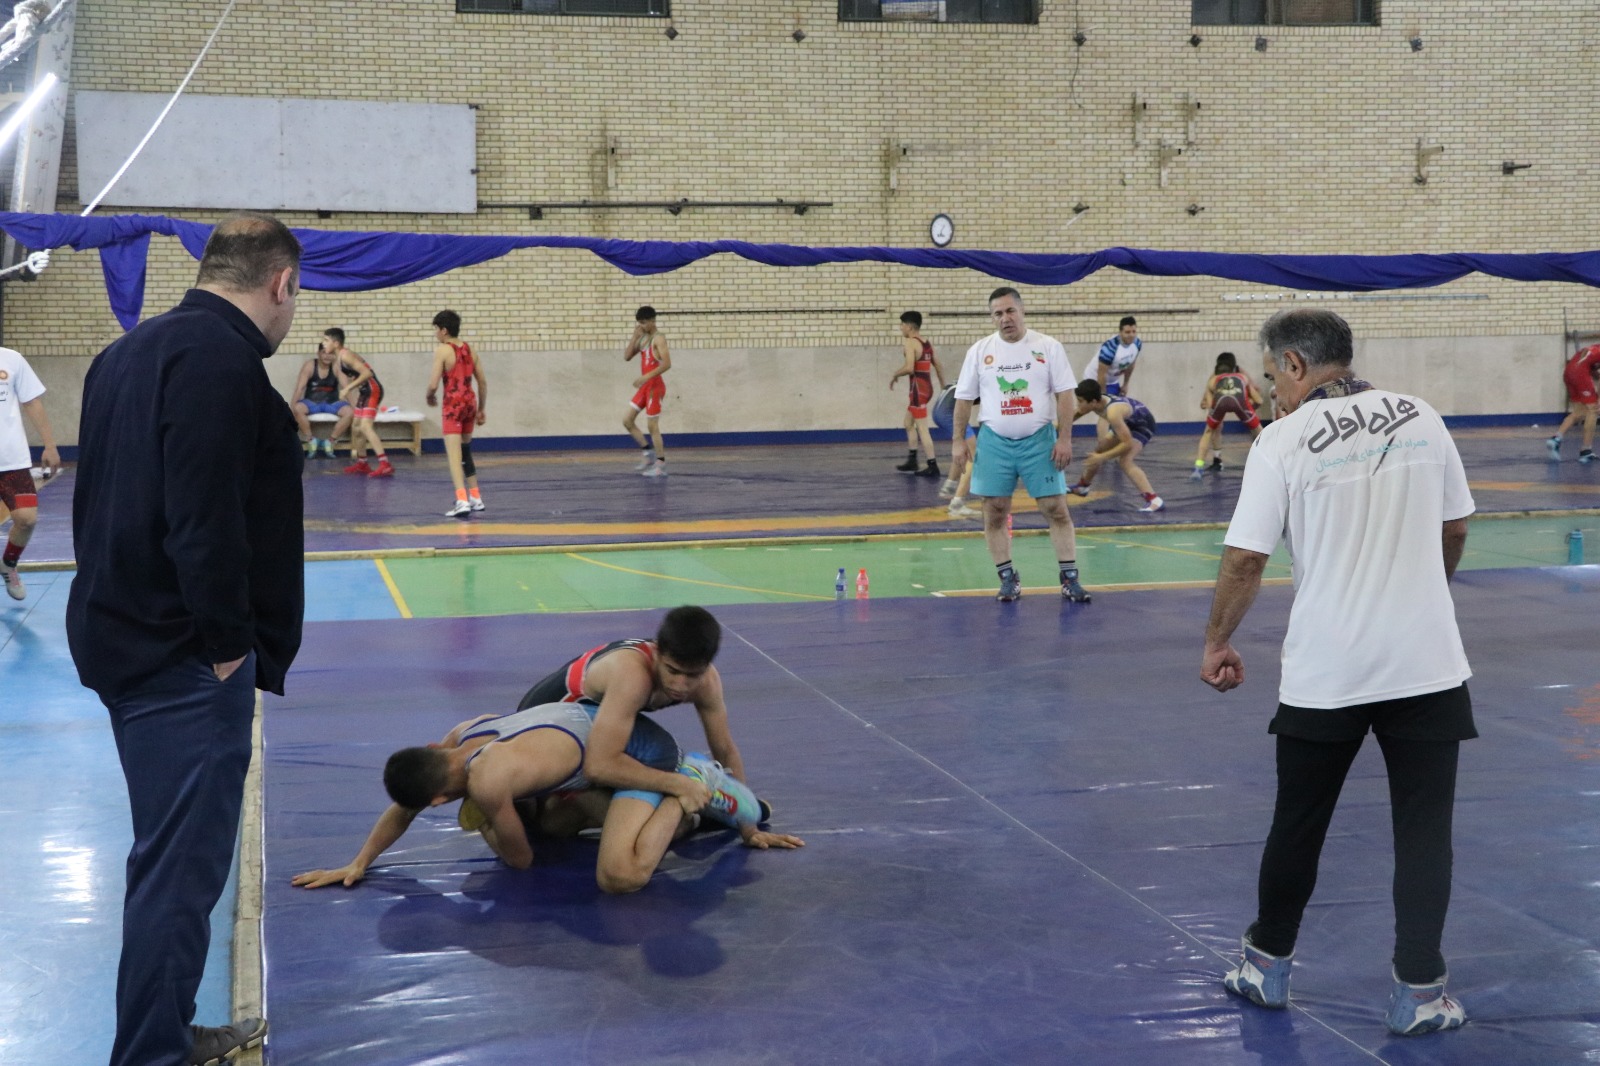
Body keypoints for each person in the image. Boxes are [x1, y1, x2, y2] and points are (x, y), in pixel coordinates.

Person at [67, 212, 305, 1066]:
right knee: (179, 870)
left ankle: (162, 1032)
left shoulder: (123, 354)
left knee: (170, 859)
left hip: (124, 633)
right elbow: (204, 519)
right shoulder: (220, 361)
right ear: (281, 283)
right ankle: (151, 1055)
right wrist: (228, 644)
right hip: (183, 655)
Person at [1200, 308, 1475, 1037]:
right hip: (1426, 663)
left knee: (1299, 821)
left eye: (1271, 376)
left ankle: (1266, 967)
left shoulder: (1283, 439)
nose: (1271, 391)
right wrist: (1427, 594)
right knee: (1425, 833)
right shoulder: (1423, 417)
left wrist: (1217, 641)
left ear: (1294, 365)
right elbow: (1454, 527)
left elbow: (1246, 558)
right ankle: (1420, 993)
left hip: (1328, 669)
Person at [517, 605, 803, 893]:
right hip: (561, 742)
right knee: (551, 826)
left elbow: (724, 748)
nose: (680, 685)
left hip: (593, 741)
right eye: (672, 671)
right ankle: (693, 790)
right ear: (656, 652)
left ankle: (694, 786)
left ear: (706, 667)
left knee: (629, 846)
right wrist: (678, 785)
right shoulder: (631, 674)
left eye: (692, 675)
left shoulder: (706, 681)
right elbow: (599, 766)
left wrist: (747, 825)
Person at [291, 700, 695, 890]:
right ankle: (653, 803)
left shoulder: (486, 781)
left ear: (438, 801)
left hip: (643, 756)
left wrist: (483, 818)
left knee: (621, 874)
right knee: (552, 825)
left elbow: (521, 860)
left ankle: (686, 790)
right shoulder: (465, 731)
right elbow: (403, 810)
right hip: (601, 731)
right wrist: (359, 862)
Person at [949, 288, 1091, 603]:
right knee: (994, 511)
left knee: (1055, 508)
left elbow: (1065, 395)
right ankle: (1007, 578)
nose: (1005, 318)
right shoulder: (980, 351)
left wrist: (1065, 438)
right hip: (994, 442)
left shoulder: (1048, 347)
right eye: (998, 313)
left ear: (1022, 311)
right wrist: (958, 440)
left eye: (1010, 311)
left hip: (1039, 441)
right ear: (992, 318)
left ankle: (1069, 578)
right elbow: (963, 399)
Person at [0, 345, 60, 600]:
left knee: (27, 519)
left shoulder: (11, 359)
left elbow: (32, 401)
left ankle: (8, 564)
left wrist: (50, 445)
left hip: (12, 461)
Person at [1068, 379, 1164, 513]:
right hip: (1126, 422)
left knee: (1125, 460)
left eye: (1080, 401)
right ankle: (1082, 487)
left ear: (1093, 402)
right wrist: (1049, 429)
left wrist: (1103, 457)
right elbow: (1070, 418)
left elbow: (1127, 443)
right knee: (1099, 449)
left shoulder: (1113, 413)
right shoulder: (1094, 402)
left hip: (1142, 425)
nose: (1078, 405)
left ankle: (1154, 500)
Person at [426, 310, 487, 517]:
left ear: (444, 330)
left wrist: (429, 396)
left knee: (454, 456)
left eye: (436, 329)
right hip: (470, 402)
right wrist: (481, 409)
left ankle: (462, 500)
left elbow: (433, 384)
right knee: (465, 450)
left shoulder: (443, 350)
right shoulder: (470, 349)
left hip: (453, 405)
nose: (435, 333)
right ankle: (476, 497)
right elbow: (482, 382)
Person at [327, 328, 394, 478]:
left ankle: (385, 464)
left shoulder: (345, 355)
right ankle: (362, 463)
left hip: (373, 390)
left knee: (365, 426)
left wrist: (348, 389)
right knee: (356, 428)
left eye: (326, 340)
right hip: (365, 391)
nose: (323, 344)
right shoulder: (339, 358)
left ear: (336, 343)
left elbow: (367, 373)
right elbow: (357, 374)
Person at [1190, 351, 1265, 481]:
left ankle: (1198, 467)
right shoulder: (1242, 375)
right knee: (1259, 431)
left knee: (1209, 432)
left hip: (1219, 402)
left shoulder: (1214, 378)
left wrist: (1212, 410)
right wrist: (1250, 410)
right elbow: (1259, 400)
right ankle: (1269, 461)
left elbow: (1209, 404)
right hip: (1241, 401)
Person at [889, 310, 944, 478]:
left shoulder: (910, 343)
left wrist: (895, 374)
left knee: (922, 428)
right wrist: (943, 387)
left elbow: (909, 368)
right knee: (908, 423)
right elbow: (938, 365)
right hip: (926, 388)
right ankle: (912, 459)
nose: (901, 328)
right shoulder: (926, 343)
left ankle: (932, 465)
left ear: (909, 326)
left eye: (902, 324)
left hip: (918, 390)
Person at [623, 305, 671, 478]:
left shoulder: (659, 339)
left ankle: (660, 464)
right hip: (645, 387)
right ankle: (647, 453)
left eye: (644, 323)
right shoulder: (643, 339)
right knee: (627, 421)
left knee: (652, 426)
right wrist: (634, 336)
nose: (641, 326)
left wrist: (645, 377)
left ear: (652, 321)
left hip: (655, 387)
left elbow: (667, 364)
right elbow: (627, 356)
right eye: (639, 323)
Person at [289, 339, 352, 457]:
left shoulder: (337, 366)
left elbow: (346, 387)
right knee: (297, 408)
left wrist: (356, 408)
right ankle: (311, 440)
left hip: (332, 403)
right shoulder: (310, 365)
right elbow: (300, 387)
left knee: (350, 412)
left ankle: (331, 441)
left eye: (331, 353)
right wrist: (292, 407)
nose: (327, 356)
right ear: (318, 353)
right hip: (312, 402)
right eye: (324, 352)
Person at [1545, 342, 1600, 463]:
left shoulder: (1595, 347)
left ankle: (1556, 438)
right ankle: (1586, 451)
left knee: (1579, 412)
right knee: (1593, 410)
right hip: (1580, 374)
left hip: (1568, 373)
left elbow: (1591, 367)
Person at [1095, 315, 1142, 398]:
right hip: (1095, 380)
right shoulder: (1110, 348)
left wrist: (1125, 384)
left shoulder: (1137, 343)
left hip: (1112, 381)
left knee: (1119, 404)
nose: (1131, 335)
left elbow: (1131, 365)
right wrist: (1103, 396)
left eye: (1134, 331)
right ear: (1120, 333)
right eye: (1127, 332)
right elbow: (1101, 374)